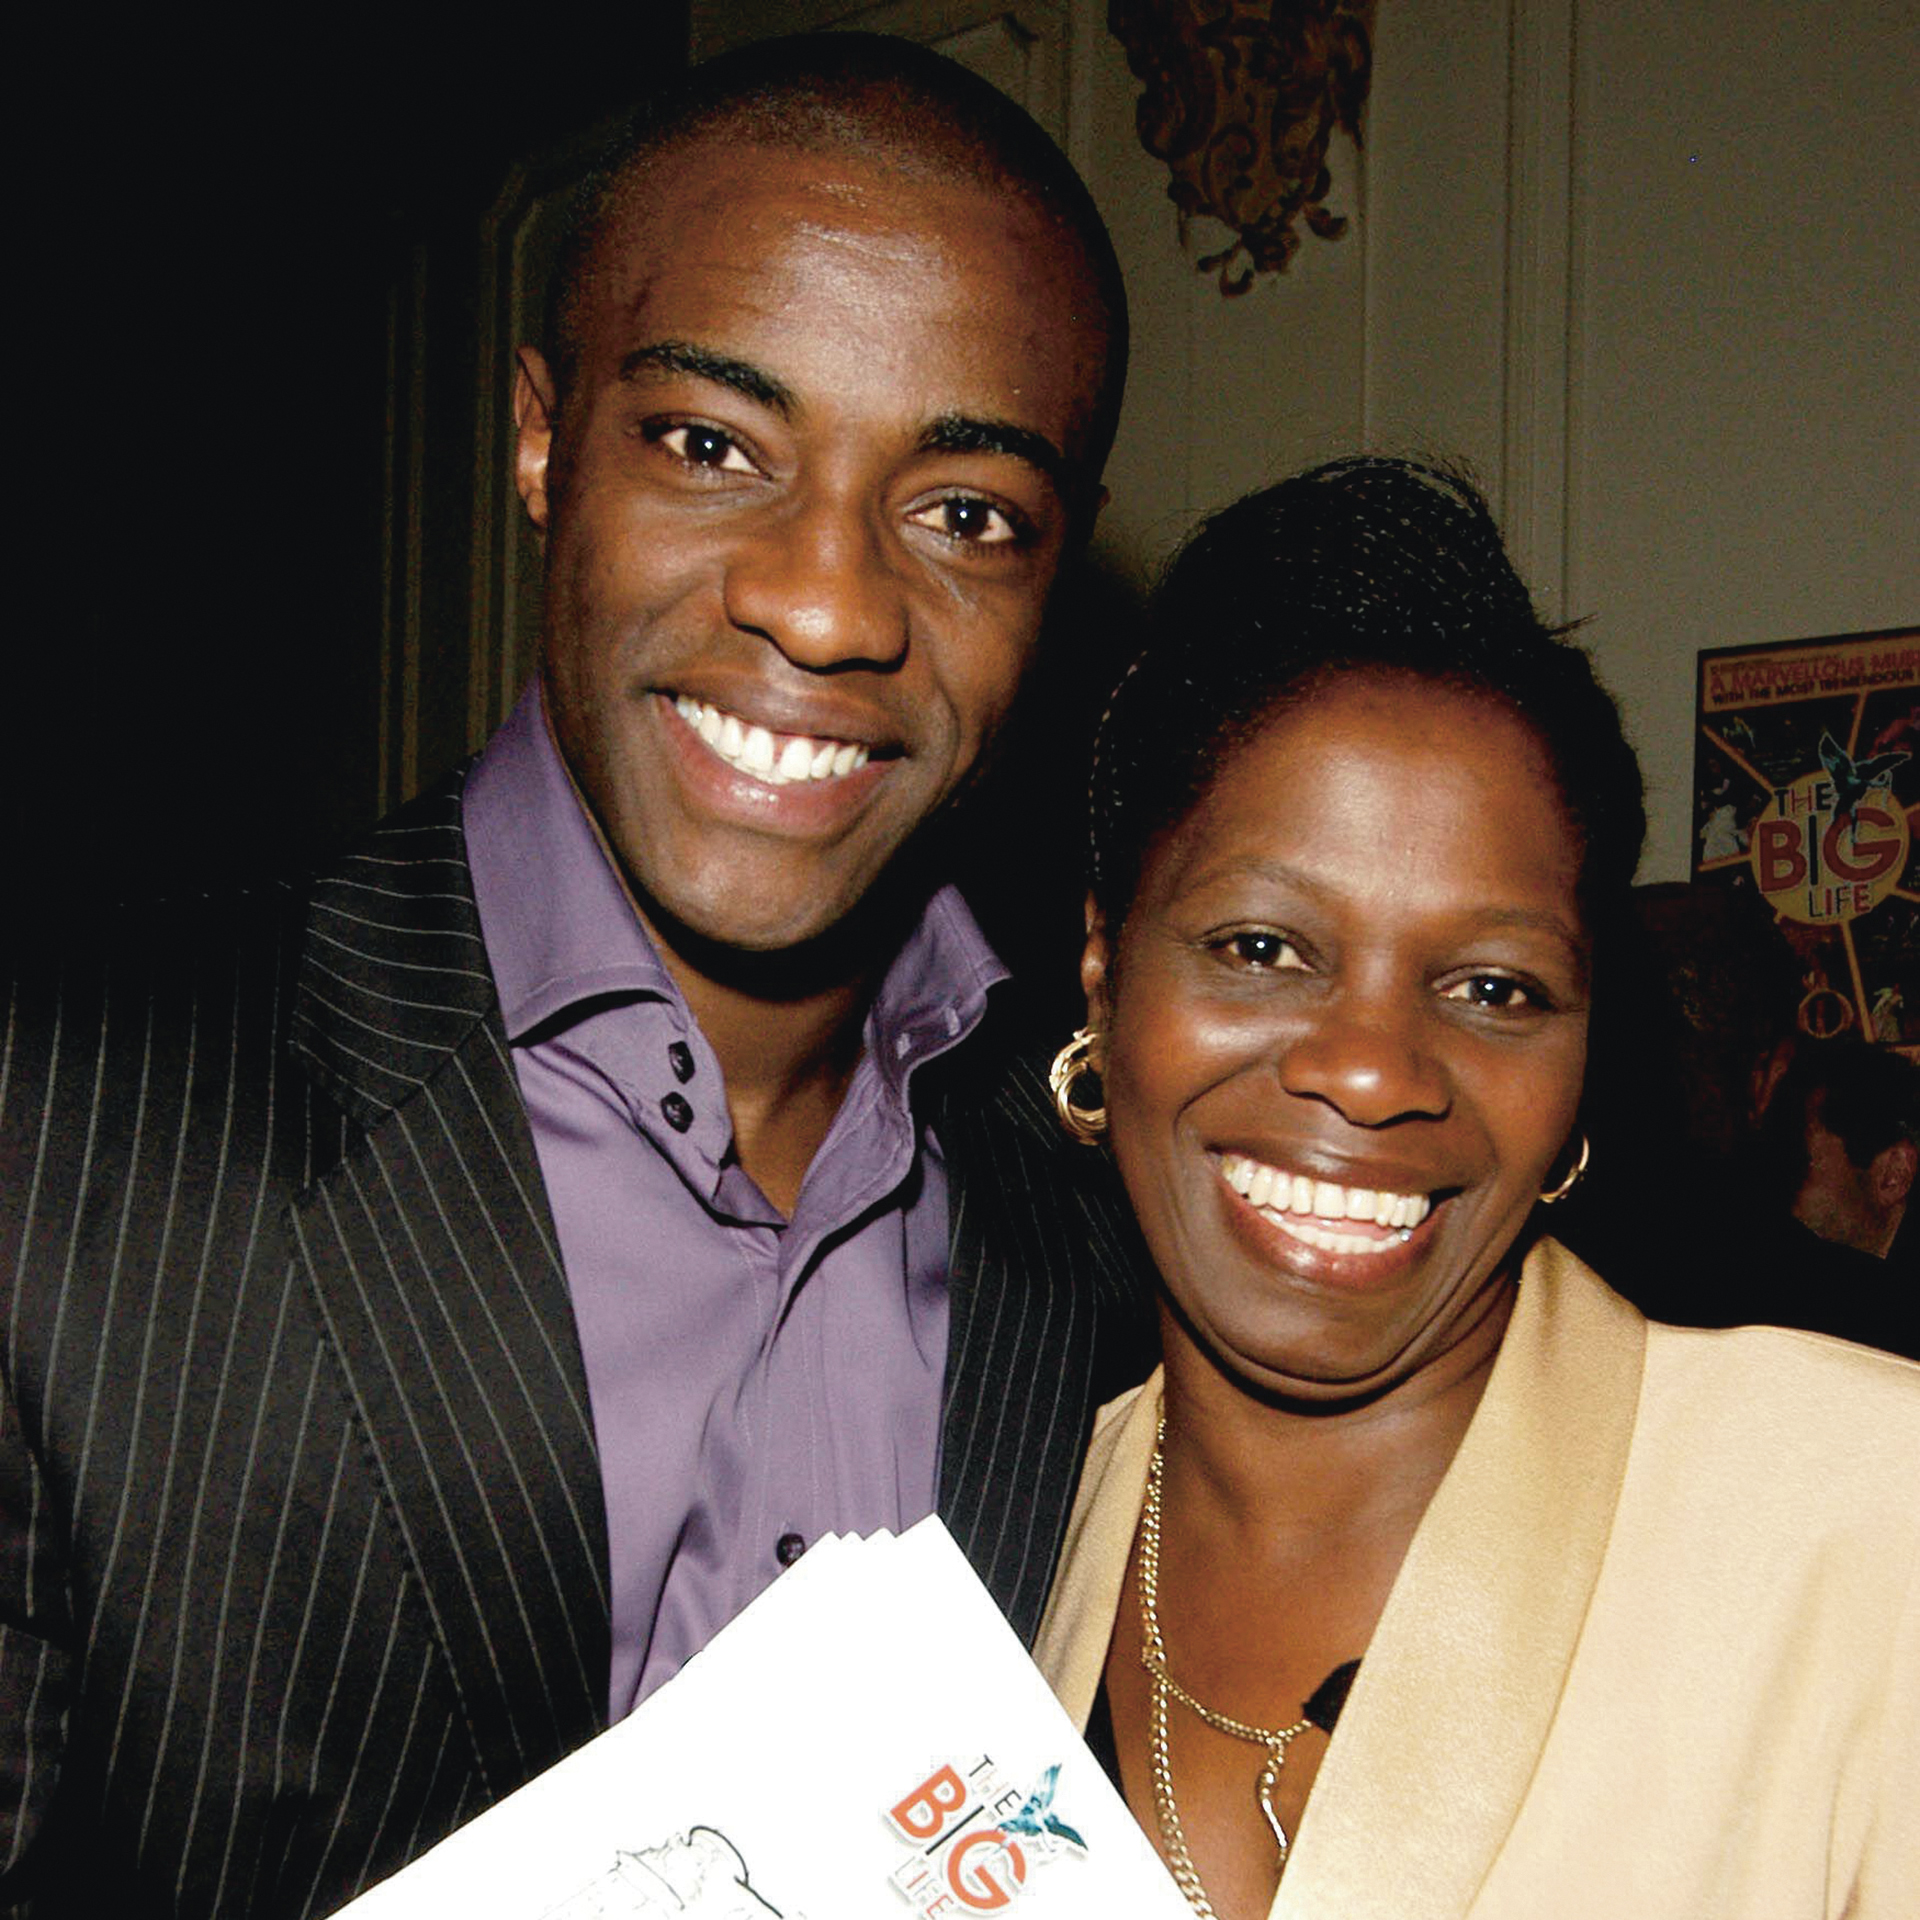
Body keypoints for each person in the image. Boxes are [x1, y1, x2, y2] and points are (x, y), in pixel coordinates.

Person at [0, 35, 1157, 1917]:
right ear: (542, 439)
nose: (829, 601)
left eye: (965, 514)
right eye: (714, 446)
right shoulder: (62, 1119)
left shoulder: (1114, 1206)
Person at [1032, 458, 1920, 1917]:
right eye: (1261, 948)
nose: (1375, 1070)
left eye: (1495, 986)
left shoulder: (1867, 1529)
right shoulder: (999, 1514)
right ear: (1103, 968)